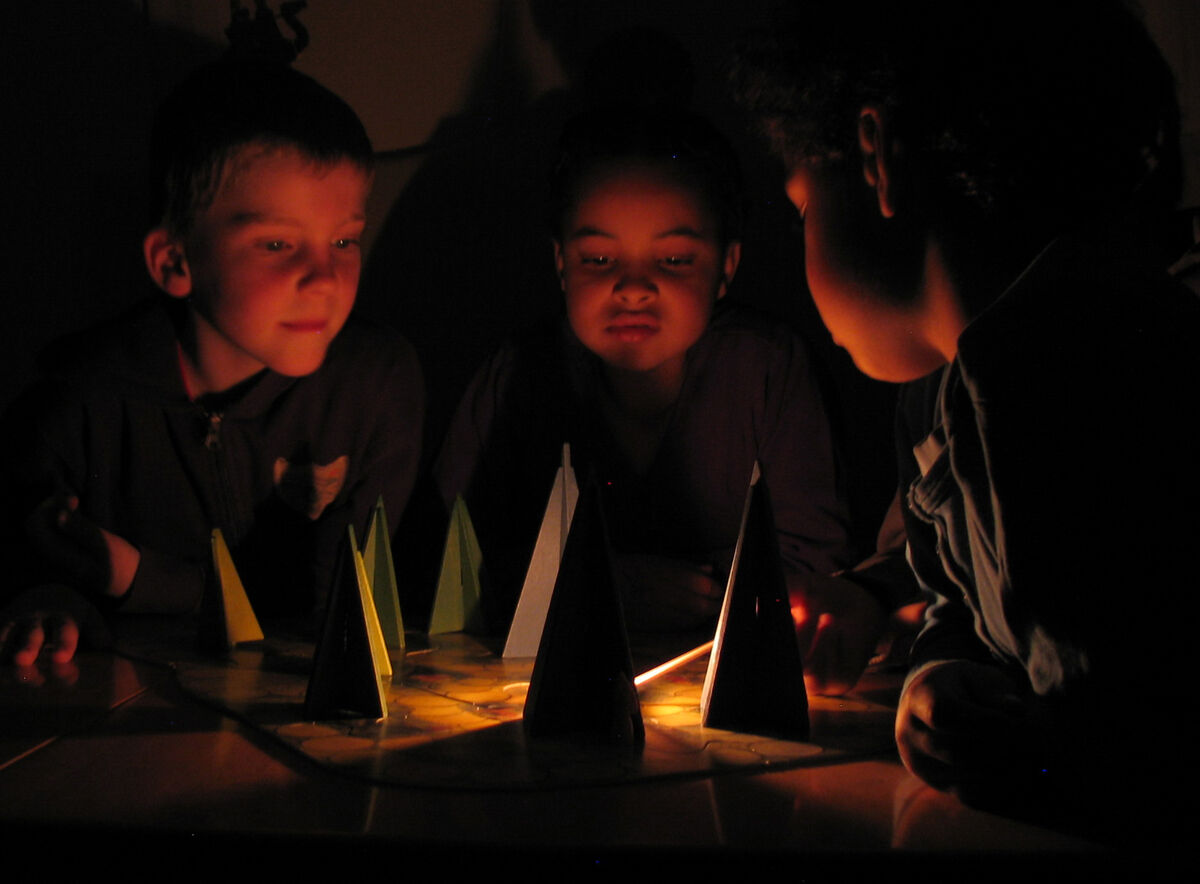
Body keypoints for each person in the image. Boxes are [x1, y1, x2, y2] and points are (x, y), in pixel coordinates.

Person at [734, 0, 1200, 826]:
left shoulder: (1098, 364)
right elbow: (961, 606)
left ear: (877, 156)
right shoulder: (947, 396)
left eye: (805, 208)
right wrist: (939, 678)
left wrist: (1049, 759)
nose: (801, 239)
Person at [435, 106, 895, 693]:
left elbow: (818, 563)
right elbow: (445, 559)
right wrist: (600, 587)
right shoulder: (519, 376)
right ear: (561, 264)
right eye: (599, 260)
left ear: (726, 266)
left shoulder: (766, 370)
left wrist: (700, 590)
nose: (632, 288)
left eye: (674, 260)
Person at [0, 59, 423, 665]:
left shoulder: (373, 385)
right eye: (278, 244)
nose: (325, 279)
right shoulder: (75, 406)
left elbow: (338, 619)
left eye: (344, 241)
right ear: (174, 262)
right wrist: (48, 596)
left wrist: (134, 577)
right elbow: (29, 573)